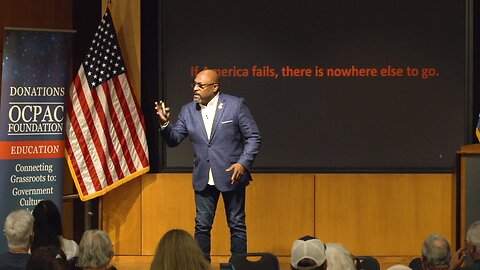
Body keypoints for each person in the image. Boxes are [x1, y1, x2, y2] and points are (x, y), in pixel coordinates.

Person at [155, 69, 261, 260]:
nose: (195, 89)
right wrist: (165, 124)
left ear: (215, 88)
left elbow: (253, 137)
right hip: (204, 176)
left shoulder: (235, 105)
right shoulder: (188, 110)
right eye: (194, 84)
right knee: (202, 226)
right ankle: (201, 265)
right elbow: (174, 140)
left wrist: (243, 164)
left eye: (200, 86)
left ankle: (238, 265)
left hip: (232, 175)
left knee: (237, 224)